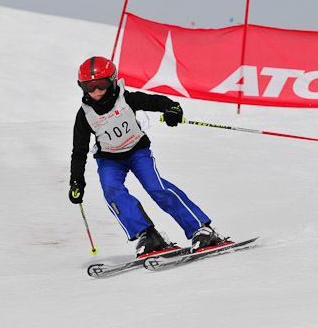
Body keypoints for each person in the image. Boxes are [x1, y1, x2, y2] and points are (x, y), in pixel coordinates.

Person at [69, 56, 226, 257]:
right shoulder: (85, 115)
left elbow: (155, 101)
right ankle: (148, 235)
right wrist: (76, 181)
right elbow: (79, 151)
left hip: (137, 152)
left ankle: (202, 229)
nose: (96, 91)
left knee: (156, 187)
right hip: (109, 159)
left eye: (101, 84)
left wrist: (172, 109)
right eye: (89, 86)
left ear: (113, 80)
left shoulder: (125, 99)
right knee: (112, 191)